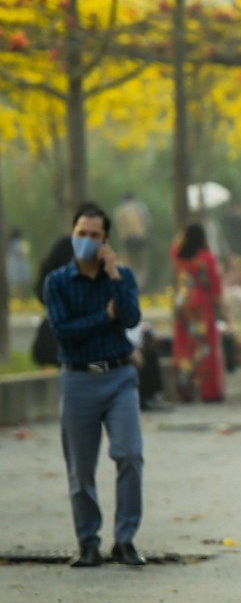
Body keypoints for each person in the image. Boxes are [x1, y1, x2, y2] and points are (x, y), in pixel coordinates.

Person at [44, 204, 145, 568]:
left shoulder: (121, 277)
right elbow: (64, 334)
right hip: (77, 379)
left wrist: (114, 275)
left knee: (129, 454)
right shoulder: (57, 282)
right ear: (72, 235)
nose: (86, 240)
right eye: (81, 234)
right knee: (80, 467)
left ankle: (125, 539)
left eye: (94, 235)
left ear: (105, 241)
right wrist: (105, 316)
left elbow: (131, 317)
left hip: (119, 377)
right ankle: (87, 542)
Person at [168, 222, 225, 403]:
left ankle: (185, 390)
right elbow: (215, 287)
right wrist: (223, 311)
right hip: (201, 307)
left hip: (182, 305)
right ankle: (209, 392)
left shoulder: (178, 255)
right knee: (204, 348)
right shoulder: (206, 258)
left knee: (184, 348)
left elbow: (174, 246)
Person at [111, 191, 151, 285]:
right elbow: (148, 223)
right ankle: (139, 286)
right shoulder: (140, 208)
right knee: (142, 266)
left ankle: (129, 285)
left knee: (129, 264)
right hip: (140, 240)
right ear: (134, 198)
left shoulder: (118, 211)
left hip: (127, 241)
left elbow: (118, 227)